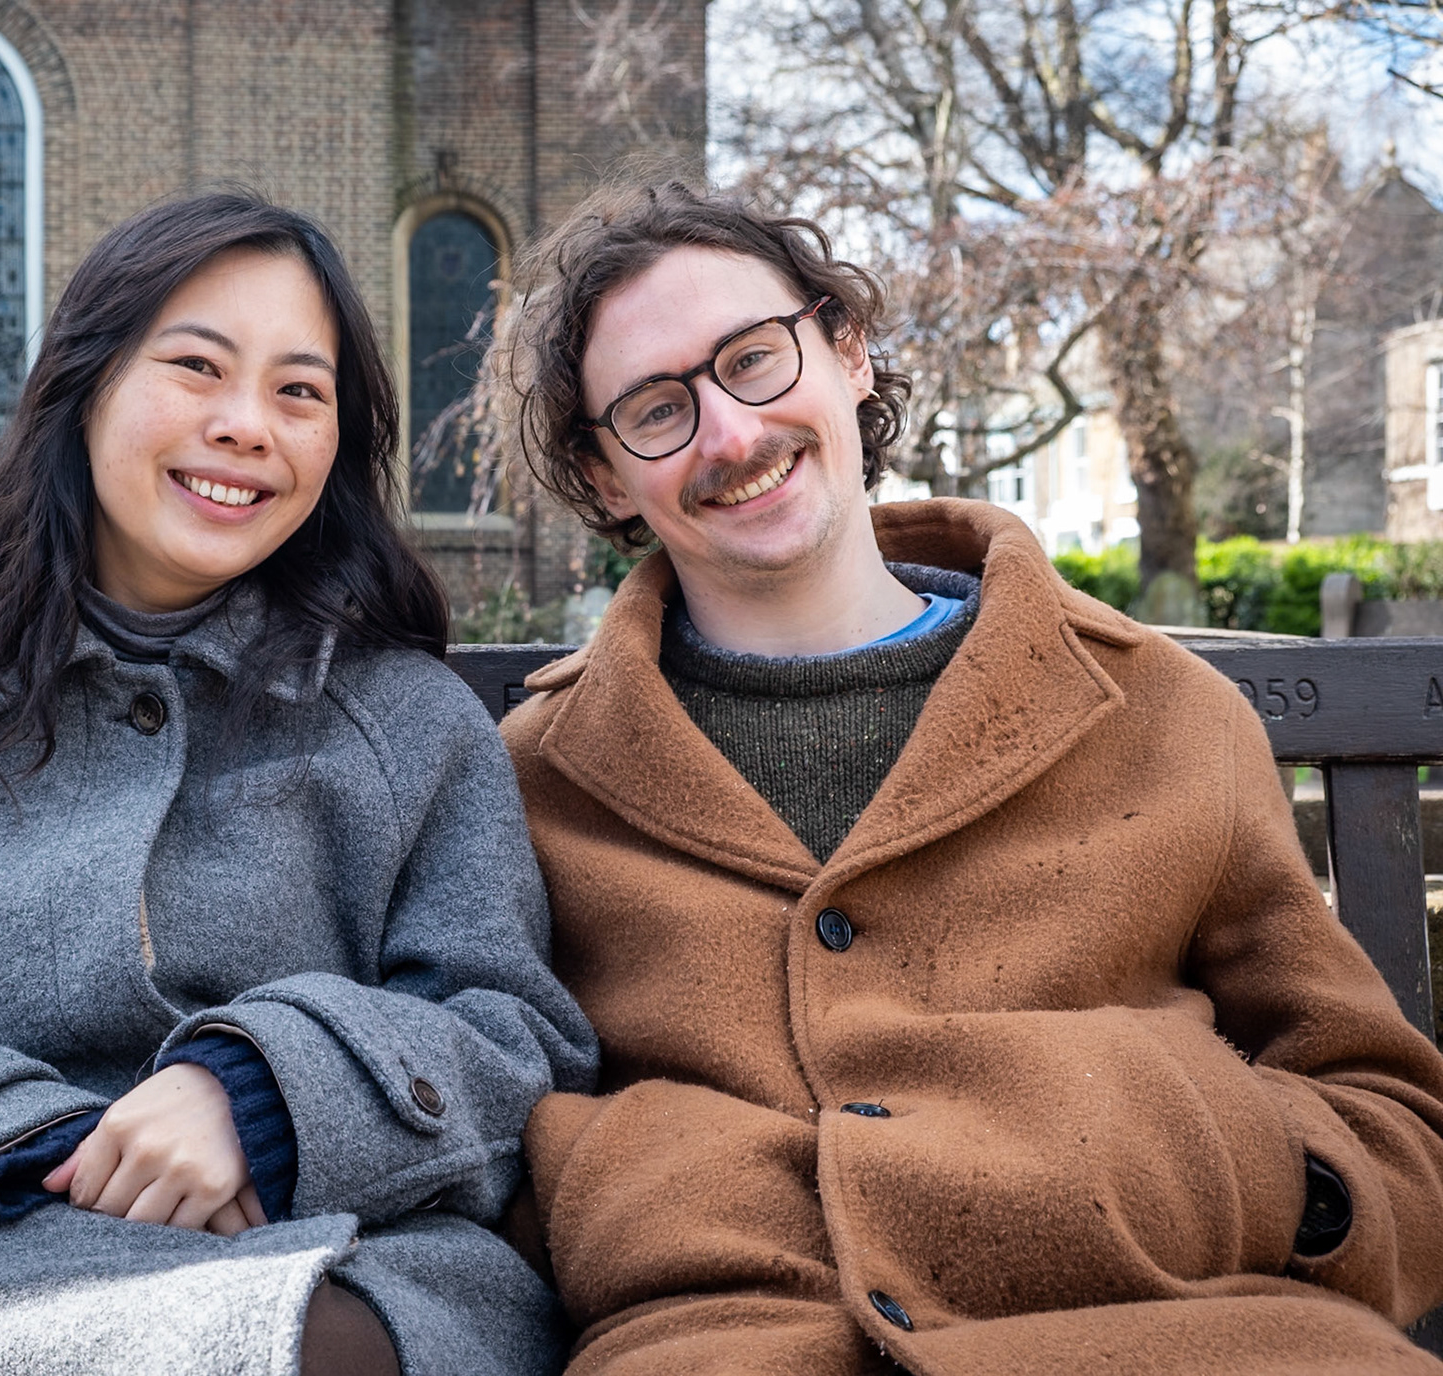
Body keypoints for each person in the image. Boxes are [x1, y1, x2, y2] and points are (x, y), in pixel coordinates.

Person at [490, 179, 1443, 1375]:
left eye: (754, 359)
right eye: (656, 409)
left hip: (1196, 1328)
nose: (730, 434)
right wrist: (630, 1186)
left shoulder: (1160, 711)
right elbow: (479, 1086)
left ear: (849, 352)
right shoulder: (535, 777)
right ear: (607, 477)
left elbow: (1395, 1123)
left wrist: (1236, 1169)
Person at [0, 192, 597, 1376]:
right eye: (196, 366)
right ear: (87, 384)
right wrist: (64, 1144)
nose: (245, 424)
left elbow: (513, 1034)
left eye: (299, 391)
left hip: (364, 1267)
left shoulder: (412, 723)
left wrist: (263, 1097)